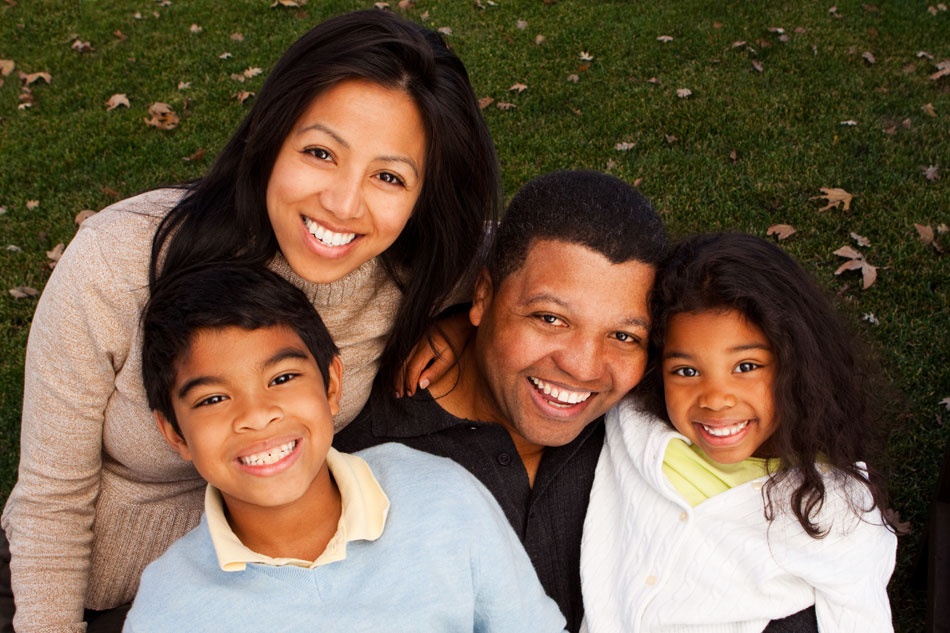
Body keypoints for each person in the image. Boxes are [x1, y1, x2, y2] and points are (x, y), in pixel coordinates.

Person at [1, 9, 499, 632]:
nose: (344, 204)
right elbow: (50, 503)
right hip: (91, 596)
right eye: (320, 152)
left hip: (279, 593)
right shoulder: (118, 262)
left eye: (389, 176)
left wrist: (462, 320)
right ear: (270, 139)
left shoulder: (411, 267)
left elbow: (543, 275)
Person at [122, 263, 566, 633]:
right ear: (176, 434)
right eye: (213, 400)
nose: (257, 415)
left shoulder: (443, 496)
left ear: (332, 385)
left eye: (282, 378)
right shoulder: (168, 608)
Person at [335, 170, 667, 632]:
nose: (584, 367)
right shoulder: (360, 461)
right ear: (482, 295)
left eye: (624, 335)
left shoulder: (647, 435)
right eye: (550, 318)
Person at [579, 232, 898, 632]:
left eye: (746, 367)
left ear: (796, 366)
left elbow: (861, 617)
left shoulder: (835, 507)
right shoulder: (632, 426)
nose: (715, 399)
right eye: (686, 371)